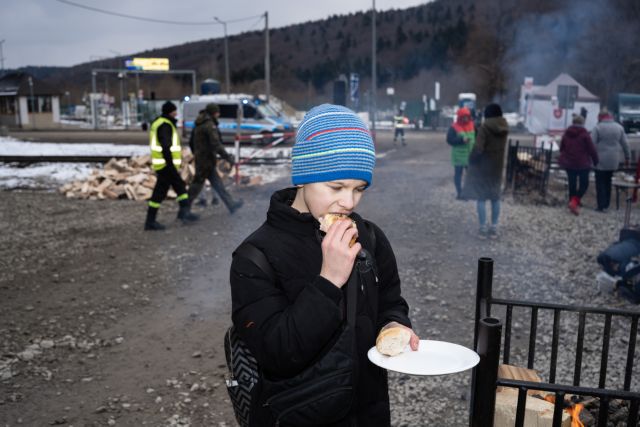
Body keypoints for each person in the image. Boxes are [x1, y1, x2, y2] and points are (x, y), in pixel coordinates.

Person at [229, 104, 418, 426]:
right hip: (296, 413)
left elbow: (390, 302)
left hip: (368, 410)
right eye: (336, 187)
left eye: (359, 189)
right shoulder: (255, 256)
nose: (349, 202)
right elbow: (278, 354)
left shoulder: (369, 238)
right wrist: (329, 279)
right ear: (303, 177)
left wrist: (393, 325)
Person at [144, 101, 199, 230]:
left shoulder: (161, 123)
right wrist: (170, 164)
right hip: (166, 165)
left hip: (164, 165)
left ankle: (184, 213)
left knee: (179, 188)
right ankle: (151, 222)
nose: (176, 113)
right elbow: (166, 146)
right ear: (170, 112)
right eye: (174, 111)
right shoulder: (165, 125)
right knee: (161, 193)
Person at [461, 103, 509, 239]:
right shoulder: (505, 128)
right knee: (495, 197)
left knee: (481, 197)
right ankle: (494, 228)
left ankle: (483, 228)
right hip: (497, 167)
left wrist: (472, 159)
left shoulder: (485, 127)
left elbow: (478, 148)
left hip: (484, 167)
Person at [187, 103, 243, 214]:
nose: (218, 114)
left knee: (218, 184)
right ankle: (184, 210)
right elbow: (216, 144)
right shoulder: (209, 125)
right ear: (214, 113)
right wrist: (227, 157)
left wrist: (197, 153)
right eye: (217, 112)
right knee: (196, 186)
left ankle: (231, 204)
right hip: (205, 161)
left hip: (204, 159)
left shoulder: (199, 123)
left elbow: (191, 142)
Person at [558, 115, 598, 215]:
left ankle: (572, 202)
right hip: (582, 163)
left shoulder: (566, 134)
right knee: (584, 184)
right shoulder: (585, 134)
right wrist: (595, 160)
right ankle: (575, 202)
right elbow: (591, 149)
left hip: (569, 163)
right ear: (582, 123)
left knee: (572, 184)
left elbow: (562, 148)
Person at [592, 108, 630, 212]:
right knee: (608, 181)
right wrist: (627, 157)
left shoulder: (598, 127)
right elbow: (625, 144)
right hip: (613, 159)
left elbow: (592, 144)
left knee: (600, 182)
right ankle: (606, 204)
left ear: (600, 117)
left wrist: (590, 157)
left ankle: (601, 205)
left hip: (600, 159)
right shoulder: (619, 128)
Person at [447, 107, 475, 199]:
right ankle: (460, 193)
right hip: (459, 156)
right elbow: (449, 140)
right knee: (458, 174)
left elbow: (478, 138)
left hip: (470, 155)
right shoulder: (454, 127)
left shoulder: (473, 125)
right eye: (463, 117)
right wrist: (461, 140)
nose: (466, 118)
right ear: (460, 117)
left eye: (467, 116)